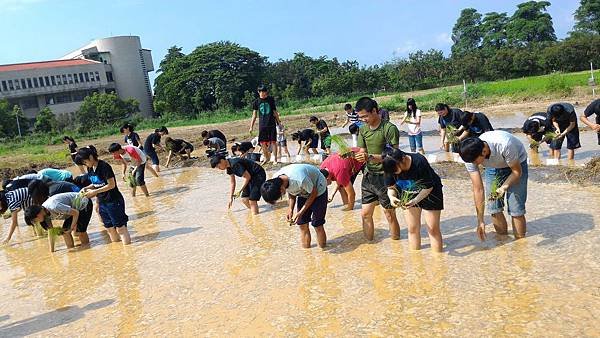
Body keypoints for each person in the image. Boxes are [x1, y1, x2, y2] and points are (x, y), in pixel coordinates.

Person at [459, 131, 528, 241]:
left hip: (517, 164)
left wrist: (503, 187)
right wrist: (480, 220)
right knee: (494, 207)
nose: (474, 165)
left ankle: (520, 244)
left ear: (484, 151)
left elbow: (516, 172)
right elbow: (478, 189)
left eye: (476, 162)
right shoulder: (470, 157)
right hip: (493, 167)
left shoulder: (505, 145)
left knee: (516, 208)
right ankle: (502, 241)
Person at [354, 97, 401, 241]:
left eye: (365, 116)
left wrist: (370, 157)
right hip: (369, 176)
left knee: (389, 213)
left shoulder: (389, 128)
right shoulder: (362, 130)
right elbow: (362, 151)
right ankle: (369, 246)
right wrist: (356, 156)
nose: (363, 120)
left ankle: (396, 245)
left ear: (374, 111)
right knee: (365, 214)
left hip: (386, 177)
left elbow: (395, 156)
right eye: (360, 117)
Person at [383, 149, 443, 252]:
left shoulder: (419, 161)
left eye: (396, 169)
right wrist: (392, 198)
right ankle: (416, 261)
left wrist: (415, 201)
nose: (394, 173)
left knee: (432, 228)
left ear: (403, 159)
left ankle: (438, 261)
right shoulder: (389, 166)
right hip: (408, 193)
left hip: (431, 191)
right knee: (412, 228)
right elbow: (391, 188)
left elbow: (428, 187)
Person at [261, 164, 328, 248]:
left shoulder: (299, 179)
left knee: (317, 224)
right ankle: (307, 254)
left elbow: (313, 192)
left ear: (281, 189)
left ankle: (323, 251)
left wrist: (300, 212)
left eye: (280, 195)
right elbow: (292, 191)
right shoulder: (275, 180)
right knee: (302, 224)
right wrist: (290, 209)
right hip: (304, 191)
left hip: (318, 189)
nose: (281, 196)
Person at [77, 147, 131, 245]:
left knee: (120, 228)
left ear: (91, 157)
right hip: (102, 202)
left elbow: (111, 185)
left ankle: (128, 251)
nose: (85, 164)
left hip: (113, 201)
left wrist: (94, 192)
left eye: (85, 162)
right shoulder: (90, 168)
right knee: (109, 229)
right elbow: (96, 184)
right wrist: (86, 188)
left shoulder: (104, 166)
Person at [24, 192, 93, 252]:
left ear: (38, 215)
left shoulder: (54, 206)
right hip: (74, 209)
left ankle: (87, 249)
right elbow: (51, 233)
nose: (37, 223)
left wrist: (71, 228)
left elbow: (76, 213)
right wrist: (52, 251)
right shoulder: (45, 215)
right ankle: (71, 250)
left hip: (84, 203)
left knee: (80, 232)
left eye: (35, 221)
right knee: (65, 232)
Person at [249, 85, 282, 164]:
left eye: (264, 92)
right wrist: (251, 127)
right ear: (258, 92)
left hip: (271, 123)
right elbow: (254, 115)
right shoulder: (256, 102)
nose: (263, 94)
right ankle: (267, 158)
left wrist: (279, 122)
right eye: (261, 92)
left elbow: (275, 112)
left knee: (273, 141)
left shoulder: (270, 100)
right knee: (262, 142)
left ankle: (275, 159)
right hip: (262, 125)